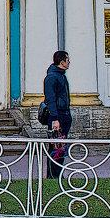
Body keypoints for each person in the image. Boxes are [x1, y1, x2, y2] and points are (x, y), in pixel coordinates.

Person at [43, 50, 71, 178]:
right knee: (56, 147)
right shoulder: (52, 77)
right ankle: (53, 175)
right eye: (67, 60)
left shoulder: (61, 76)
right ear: (62, 62)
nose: (69, 62)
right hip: (57, 117)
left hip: (63, 115)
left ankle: (57, 173)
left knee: (61, 146)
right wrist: (55, 119)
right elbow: (50, 99)